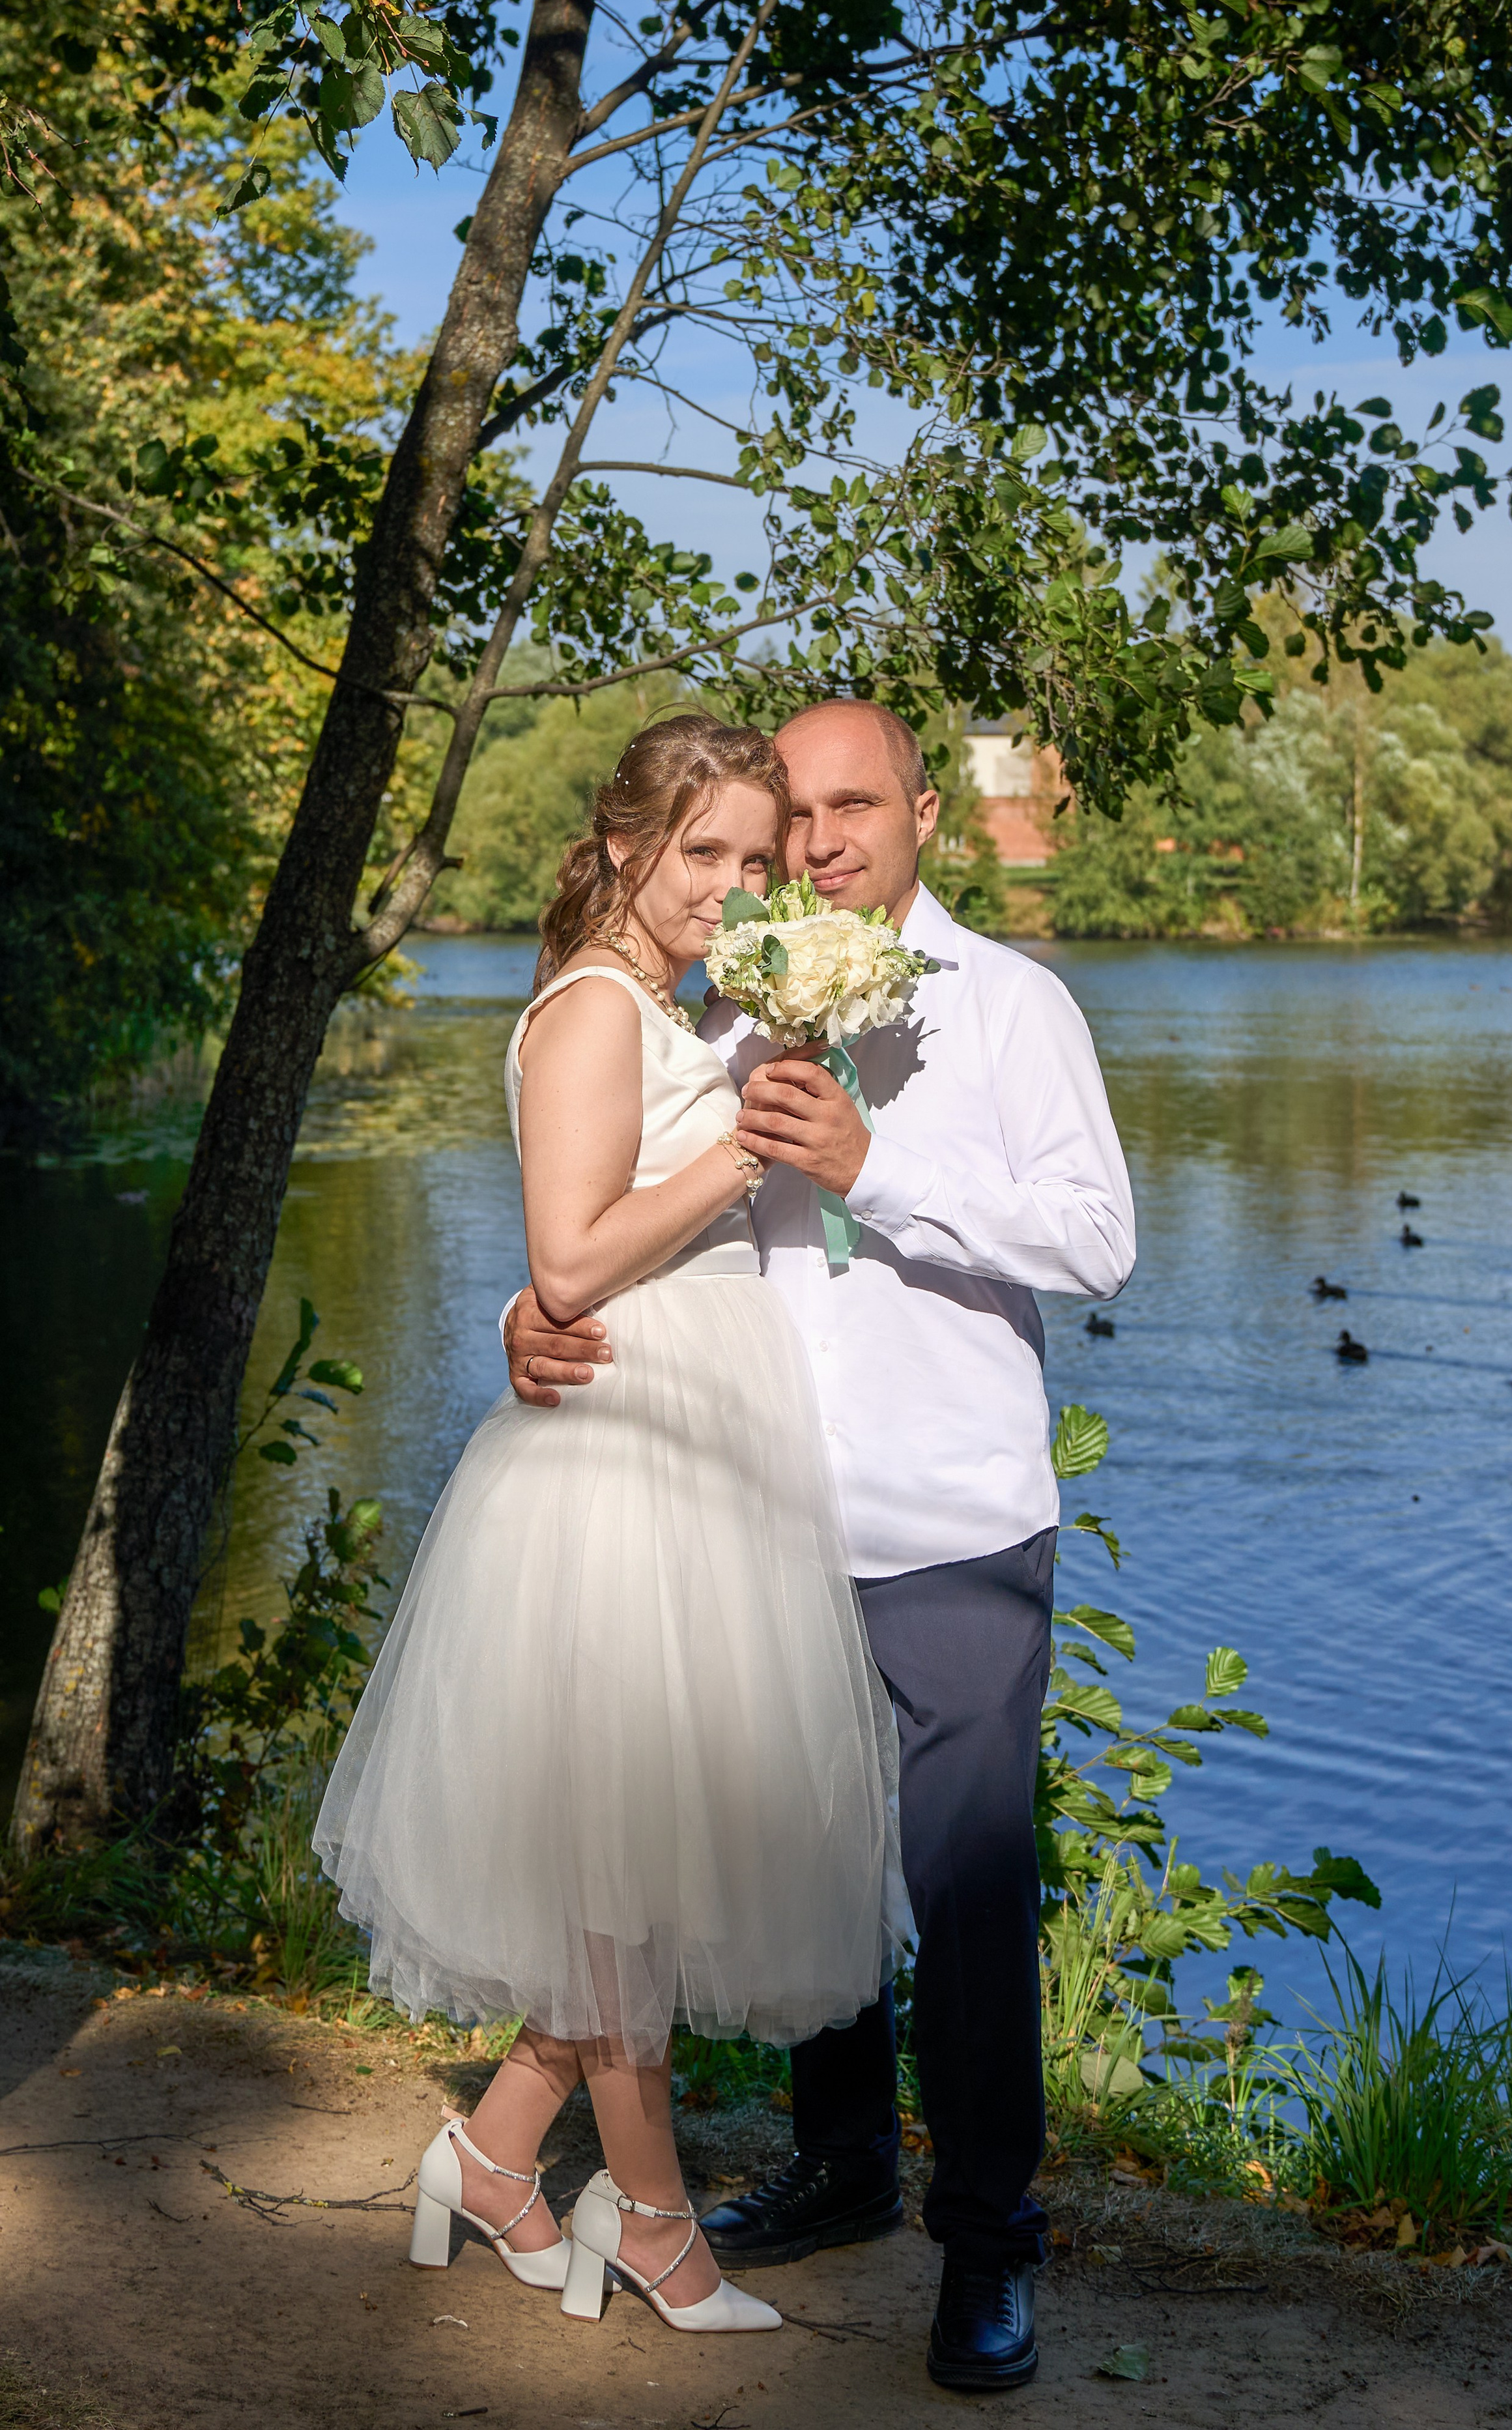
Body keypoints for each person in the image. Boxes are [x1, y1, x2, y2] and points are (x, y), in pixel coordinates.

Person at [504, 699, 1135, 2391]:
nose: (827, 838)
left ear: (924, 811)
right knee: (800, 1858)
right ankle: (844, 2158)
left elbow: (1100, 1237)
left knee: (968, 1882)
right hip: (753, 1506)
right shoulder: (733, 998)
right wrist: (531, 1306)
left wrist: (886, 1161)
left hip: (949, 1523)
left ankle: (990, 2238)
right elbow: (628, 1208)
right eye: (802, 813)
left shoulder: (1013, 1007)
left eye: (857, 804)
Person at [316, 714, 905, 2339]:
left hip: (696, 1448)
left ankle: (495, 2157)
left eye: (750, 855)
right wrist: (741, 1151)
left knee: (635, 1855)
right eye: (699, 851)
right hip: (626, 1461)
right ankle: (644, 2204)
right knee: (623, 1866)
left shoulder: (675, 1008)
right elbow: (566, 1264)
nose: (730, 884)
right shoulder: (591, 1007)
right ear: (623, 841)